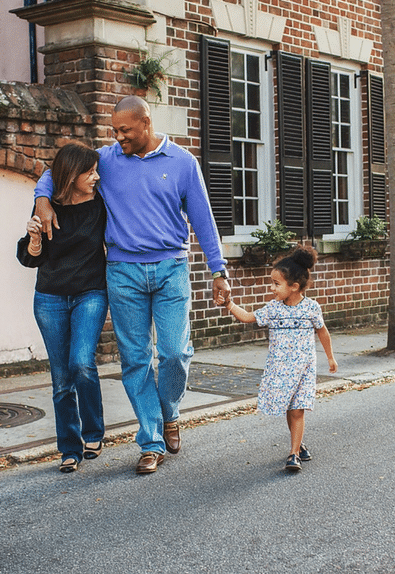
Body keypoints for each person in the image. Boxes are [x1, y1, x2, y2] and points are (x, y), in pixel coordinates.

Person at [33, 95, 231, 475]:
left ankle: (169, 412)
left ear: (146, 122)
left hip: (171, 267)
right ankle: (151, 441)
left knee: (174, 353)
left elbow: (204, 220)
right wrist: (42, 198)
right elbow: (58, 169)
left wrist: (218, 271)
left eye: (125, 130)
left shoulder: (183, 163)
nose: (118, 137)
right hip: (122, 271)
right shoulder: (107, 160)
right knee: (136, 360)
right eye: (114, 131)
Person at [17, 142, 108, 474]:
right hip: (50, 298)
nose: (96, 177)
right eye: (89, 172)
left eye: (97, 170)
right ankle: (69, 448)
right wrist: (35, 238)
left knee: (82, 362)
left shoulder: (101, 205)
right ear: (72, 176)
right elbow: (28, 258)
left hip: (90, 294)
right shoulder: (46, 207)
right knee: (60, 379)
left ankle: (93, 431)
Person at [219, 246, 337, 472]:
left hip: (304, 367)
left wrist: (330, 358)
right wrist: (228, 304)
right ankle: (299, 443)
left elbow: (322, 331)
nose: (271, 288)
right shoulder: (273, 308)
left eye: (276, 283)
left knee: (297, 409)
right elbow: (248, 317)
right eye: (271, 282)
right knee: (288, 408)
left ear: (294, 287)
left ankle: (293, 455)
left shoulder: (312, 308)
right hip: (281, 368)